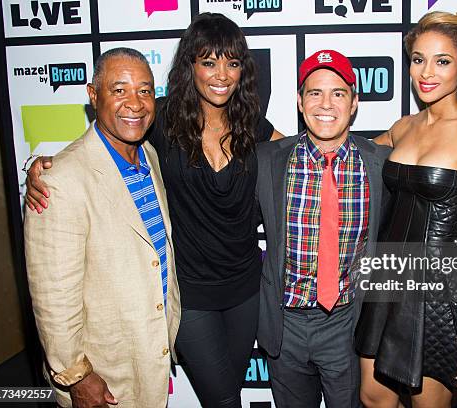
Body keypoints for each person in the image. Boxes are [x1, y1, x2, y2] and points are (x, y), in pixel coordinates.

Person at [24, 13, 282, 408]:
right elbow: (105, 140)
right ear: (190, 65)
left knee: (229, 388)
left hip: (245, 289)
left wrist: (371, 145)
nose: (221, 74)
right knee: (226, 398)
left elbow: (300, 151)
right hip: (191, 294)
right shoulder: (159, 118)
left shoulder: (250, 124)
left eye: (232, 62)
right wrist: (43, 165)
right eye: (208, 62)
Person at [355, 11, 457, 408]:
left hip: (441, 291)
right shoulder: (404, 127)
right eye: (418, 58)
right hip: (387, 279)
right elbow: (345, 150)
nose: (426, 71)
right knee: (373, 399)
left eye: (442, 61)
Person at [24, 47, 180, 408]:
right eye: (119, 89)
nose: (135, 103)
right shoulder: (59, 181)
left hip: (147, 354)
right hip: (104, 373)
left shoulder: (149, 155)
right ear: (94, 96)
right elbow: (53, 296)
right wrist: (76, 375)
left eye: (144, 90)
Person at [255, 50, 391, 408]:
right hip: (285, 326)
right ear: (300, 102)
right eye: (315, 93)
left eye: (338, 93)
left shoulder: (381, 163)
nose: (325, 104)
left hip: (347, 324)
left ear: (355, 101)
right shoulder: (267, 161)